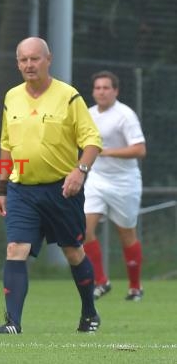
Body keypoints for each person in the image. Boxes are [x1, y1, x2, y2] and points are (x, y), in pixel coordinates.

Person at [0, 37, 103, 334]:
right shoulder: (11, 97)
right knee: (15, 249)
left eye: (35, 58)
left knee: (72, 251)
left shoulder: (69, 96)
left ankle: (90, 313)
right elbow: (6, 146)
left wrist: (80, 171)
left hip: (62, 190)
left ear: (48, 59)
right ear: (18, 63)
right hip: (21, 190)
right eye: (23, 59)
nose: (29, 64)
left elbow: (92, 141)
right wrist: (1, 189)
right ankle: (13, 322)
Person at [83, 71, 146, 301]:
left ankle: (135, 287)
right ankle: (101, 281)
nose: (101, 91)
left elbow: (140, 150)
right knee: (83, 230)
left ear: (115, 91)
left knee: (126, 235)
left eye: (106, 88)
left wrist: (106, 151)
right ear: (93, 91)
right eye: (98, 88)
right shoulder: (88, 114)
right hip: (97, 180)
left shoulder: (125, 115)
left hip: (124, 183)